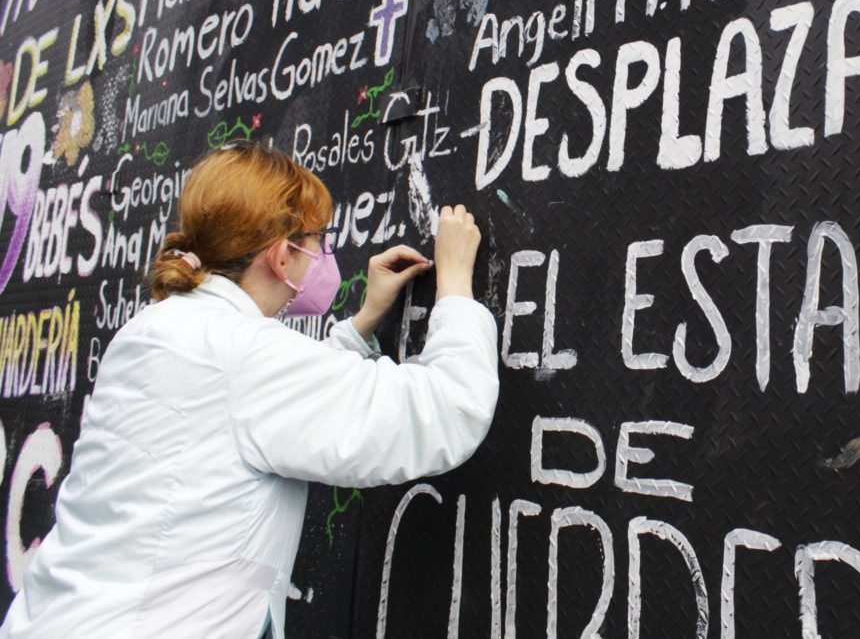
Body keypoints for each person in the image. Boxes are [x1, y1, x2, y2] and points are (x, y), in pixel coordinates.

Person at [0, 142, 499, 639]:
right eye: (319, 241)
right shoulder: (243, 355)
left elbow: (250, 409)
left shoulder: (159, 329)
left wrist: (362, 323)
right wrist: (455, 285)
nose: (326, 256)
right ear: (283, 255)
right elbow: (445, 410)